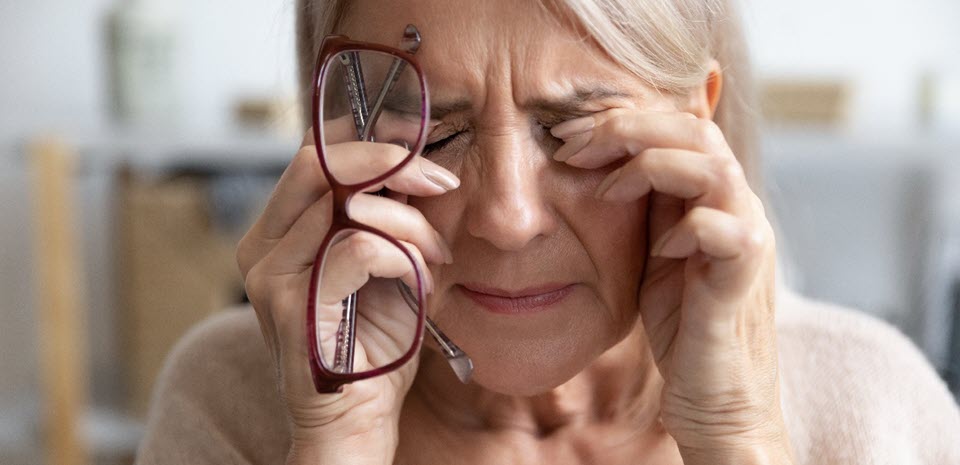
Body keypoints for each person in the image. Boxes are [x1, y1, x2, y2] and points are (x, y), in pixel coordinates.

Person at [136, 0, 960, 463]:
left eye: (575, 131)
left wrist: (738, 435)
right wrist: (335, 443)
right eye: (435, 134)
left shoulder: (871, 408)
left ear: (697, 126)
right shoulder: (229, 403)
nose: (508, 217)